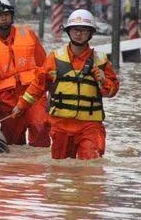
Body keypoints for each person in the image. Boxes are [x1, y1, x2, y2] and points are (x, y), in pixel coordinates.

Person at [12, 9, 119, 160]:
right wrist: (21, 106)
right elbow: (37, 86)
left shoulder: (101, 61)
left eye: (83, 30)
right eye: (75, 30)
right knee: (60, 170)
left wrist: (103, 80)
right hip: (61, 125)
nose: (79, 34)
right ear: (69, 31)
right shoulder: (54, 58)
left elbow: (112, 91)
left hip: (90, 126)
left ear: (91, 33)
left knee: (90, 166)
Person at [0, 0, 50, 146]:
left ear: (12, 16)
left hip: (33, 92)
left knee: (40, 127)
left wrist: (45, 88)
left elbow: (43, 63)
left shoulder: (28, 34)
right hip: (8, 97)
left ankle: (38, 167)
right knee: (12, 139)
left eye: (6, 15)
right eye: (0, 16)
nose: (4, 18)